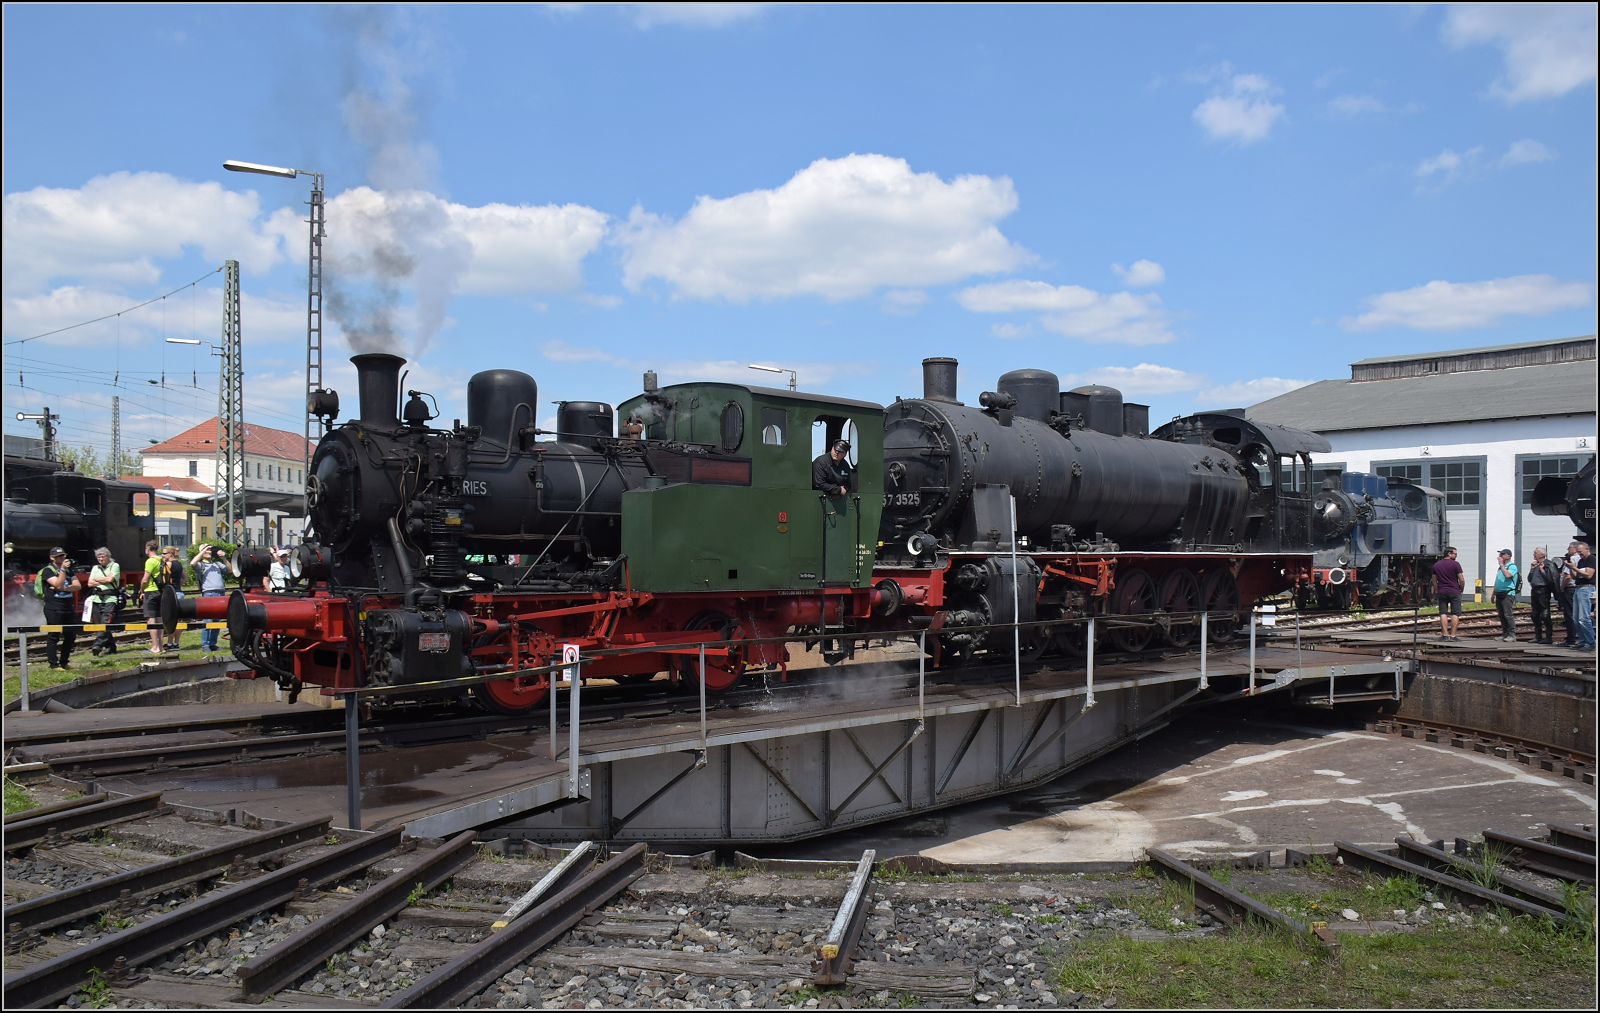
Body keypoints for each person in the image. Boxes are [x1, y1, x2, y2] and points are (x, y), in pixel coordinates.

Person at [37, 547, 78, 670]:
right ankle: (54, 664)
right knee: (53, 636)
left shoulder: (69, 571)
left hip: (67, 607)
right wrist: (63, 571)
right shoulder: (47, 571)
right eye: (59, 556)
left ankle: (64, 661)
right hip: (53, 607)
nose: (62, 558)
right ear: (52, 558)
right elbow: (58, 584)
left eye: (63, 556)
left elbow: (77, 586)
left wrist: (64, 588)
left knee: (70, 636)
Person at [190, 544, 229, 653]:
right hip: (209, 594)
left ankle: (213, 644)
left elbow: (230, 570)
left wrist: (224, 558)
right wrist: (202, 551)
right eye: (206, 550)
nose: (209, 552)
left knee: (217, 620)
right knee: (207, 620)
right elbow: (192, 563)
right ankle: (205, 645)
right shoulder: (200, 564)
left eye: (209, 550)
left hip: (220, 593)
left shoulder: (217, 564)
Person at [86, 546, 122, 656]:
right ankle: (111, 647)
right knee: (99, 624)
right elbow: (89, 583)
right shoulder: (95, 568)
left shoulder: (114, 566)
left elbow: (110, 579)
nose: (101, 559)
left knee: (106, 622)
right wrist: (102, 580)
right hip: (97, 598)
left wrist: (97, 580)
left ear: (108, 556)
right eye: (98, 557)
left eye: (103, 556)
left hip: (110, 598)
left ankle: (97, 645)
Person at [1528, 546, 1561, 645]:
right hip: (1534, 589)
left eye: (1535, 553)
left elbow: (1552, 579)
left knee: (1545, 614)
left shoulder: (1549, 564)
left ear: (1542, 554)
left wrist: (1543, 571)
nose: (1534, 554)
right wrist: (1532, 569)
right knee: (1535, 614)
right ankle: (1538, 636)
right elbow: (1530, 579)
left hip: (1544, 590)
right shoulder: (1536, 565)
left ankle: (1548, 636)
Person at [1432, 546, 1464, 641]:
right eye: (1455, 554)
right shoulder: (1456, 564)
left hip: (1442, 591)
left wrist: (1438, 590)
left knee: (1443, 613)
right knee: (1455, 613)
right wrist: (1461, 589)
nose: (1456, 556)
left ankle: (1445, 635)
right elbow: (1461, 580)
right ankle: (1453, 636)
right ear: (1449, 554)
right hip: (1454, 591)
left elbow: (1434, 581)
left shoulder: (1436, 565)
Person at [157, 546, 186, 652]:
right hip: (179, 592)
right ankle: (176, 642)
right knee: (178, 621)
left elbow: (163, 578)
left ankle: (169, 643)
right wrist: (178, 585)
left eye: (164, 553)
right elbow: (185, 577)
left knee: (171, 620)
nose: (162, 555)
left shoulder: (168, 564)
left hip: (171, 595)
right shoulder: (179, 564)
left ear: (170, 554)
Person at [138, 540, 164, 654]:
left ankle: (155, 647)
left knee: (151, 620)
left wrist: (141, 590)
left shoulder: (150, 561)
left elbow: (145, 579)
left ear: (147, 548)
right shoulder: (161, 560)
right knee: (159, 619)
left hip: (151, 591)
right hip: (160, 591)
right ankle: (161, 646)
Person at [1491, 549, 1519, 642]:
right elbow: (1498, 580)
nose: (1500, 556)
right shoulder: (1501, 568)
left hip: (1508, 594)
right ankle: (1505, 633)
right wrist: (1493, 593)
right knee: (1502, 615)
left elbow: (1508, 575)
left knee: (1508, 614)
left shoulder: (1512, 566)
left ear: (1508, 556)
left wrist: (1502, 565)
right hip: (1499, 593)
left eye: (1502, 554)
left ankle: (1512, 634)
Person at [1574, 540, 1596, 651]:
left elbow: (1589, 575)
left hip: (1587, 588)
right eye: (1578, 552)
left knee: (1584, 618)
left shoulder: (1592, 559)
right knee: (1576, 618)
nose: (1579, 554)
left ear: (1587, 549)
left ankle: (1590, 643)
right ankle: (1582, 641)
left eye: (1581, 552)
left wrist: (1575, 569)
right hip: (1578, 589)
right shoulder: (1581, 561)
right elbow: (1576, 576)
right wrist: (1571, 568)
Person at [1559, 539, 1581, 647]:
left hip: (1569, 588)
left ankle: (1570, 639)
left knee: (1569, 614)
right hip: (1576, 588)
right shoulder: (1581, 558)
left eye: (1569, 548)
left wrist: (1562, 588)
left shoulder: (1573, 558)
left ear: (1575, 549)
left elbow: (1567, 576)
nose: (1567, 549)